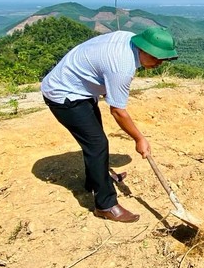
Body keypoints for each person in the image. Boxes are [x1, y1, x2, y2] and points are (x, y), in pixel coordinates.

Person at [41, 27, 178, 222]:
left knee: (95, 142)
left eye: (164, 59)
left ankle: (95, 181)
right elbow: (118, 111)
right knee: (97, 144)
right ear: (143, 49)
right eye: (156, 58)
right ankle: (105, 205)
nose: (159, 63)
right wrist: (139, 139)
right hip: (63, 94)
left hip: (81, 90)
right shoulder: (122, 66)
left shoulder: (130, 39)